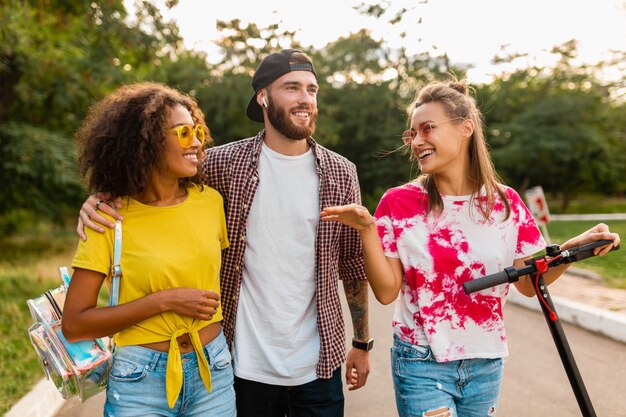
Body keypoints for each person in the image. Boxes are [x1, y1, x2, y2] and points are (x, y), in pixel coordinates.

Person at [77, 50, 371, 417]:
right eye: (292, 87)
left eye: (312, 89)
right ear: (263, 96)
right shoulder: (221, 165)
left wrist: (362, 341)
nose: (305, 99)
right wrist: (100, 197)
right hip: (240, 364)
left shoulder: (341, 172)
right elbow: (152, 173)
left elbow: (353, 263)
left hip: (317, 365)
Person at [320, 79, 620, 417]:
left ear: (466, 129)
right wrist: (367, 230)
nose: (417, 141)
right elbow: (387, 293)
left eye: (427, 129)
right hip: (421, 361)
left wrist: (570, 249)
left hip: (485, 363)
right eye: (412, 134)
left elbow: (526, 283)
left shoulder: (506, 204)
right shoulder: (398, 203)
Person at [63, 82, 236, 416]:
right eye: (184, 133)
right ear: (146, 142)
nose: (197, 143)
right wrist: (164, 301)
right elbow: (75, 323)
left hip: (213, 369)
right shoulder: (108, 217)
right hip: (139, 380)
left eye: (197, 131)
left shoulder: (210, 202)